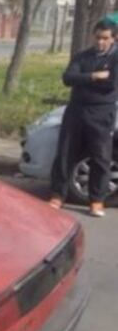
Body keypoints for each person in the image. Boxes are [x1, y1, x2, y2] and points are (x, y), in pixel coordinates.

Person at [48, 19, 118, 217]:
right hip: (76, 110)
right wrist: (94, 76)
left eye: (105, 38)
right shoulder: (82, 56)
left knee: (101, 157)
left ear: (113, 39)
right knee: (65, 153)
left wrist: (85, 79)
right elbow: (68, 78)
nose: (100, 42)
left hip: (101, 113)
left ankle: (96, 200)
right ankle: (57, 195)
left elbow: (111, 84)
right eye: (97, 37)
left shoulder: (115, 58)